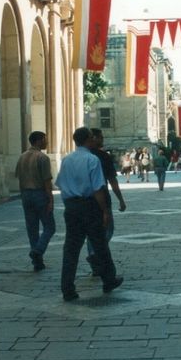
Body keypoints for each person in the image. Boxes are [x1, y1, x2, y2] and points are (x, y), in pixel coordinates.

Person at [56, 127, 123, 300]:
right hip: (90, 207)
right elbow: (98, 188)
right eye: (92, 137)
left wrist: (69, 204)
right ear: (88, 139)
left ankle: (67, 288)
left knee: (71, 249)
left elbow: (61, 184)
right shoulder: (92, 160)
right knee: (100, 245)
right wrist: (105, 210)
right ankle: (108, 280)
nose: (94, 139)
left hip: (71, 207)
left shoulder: (66, 160)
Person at [86, 129, 126, 277]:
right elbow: (112, 180)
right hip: (101, 198)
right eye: (100, 137)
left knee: (91, 233)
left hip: (82, 201)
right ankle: (96, 254)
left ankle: (93, 256)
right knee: (107, 230)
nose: (103, 139)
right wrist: (120, 199)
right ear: (93, 138)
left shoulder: (74, 157)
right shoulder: (102, 157)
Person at [14, 131, 55, 272]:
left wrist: (22, 195)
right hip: (39, 194)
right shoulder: (42, 157)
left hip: (26, 194)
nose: (47, 142)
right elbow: (47, 181)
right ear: (39, 140)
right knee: (50, 227)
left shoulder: (22, 157)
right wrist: (50, 199)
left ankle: (37, 262)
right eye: (45, 139)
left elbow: (19, 178)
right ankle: (38, 250)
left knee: (32, 229)